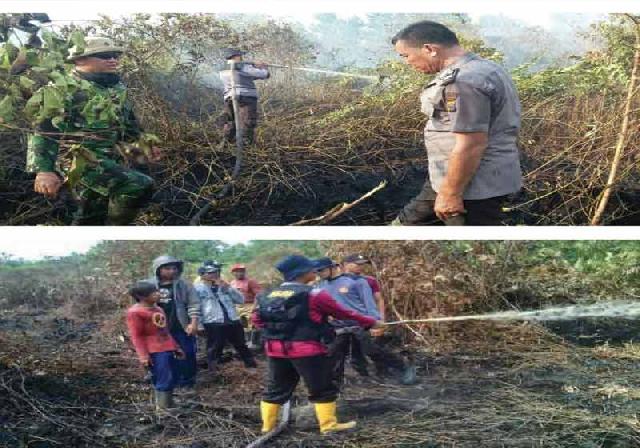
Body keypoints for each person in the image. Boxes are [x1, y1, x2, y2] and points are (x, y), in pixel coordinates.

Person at [391, 21, 522, 226]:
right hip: (448, 175)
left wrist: (451, 194)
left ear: (429, 49)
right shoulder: (485, 68)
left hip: (471, 186)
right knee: (406, 224)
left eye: (406, 55)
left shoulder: (464, 81)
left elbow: (472, 143)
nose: (407, 62)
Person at [26, 36, 157, 225]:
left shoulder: (115, 87)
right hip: (76, 159)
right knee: (139, 185)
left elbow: (127, 121)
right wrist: (44, 171)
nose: (113, 60)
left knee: (90, 215)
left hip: (108, 156)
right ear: (80, 60)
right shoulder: (62, 89)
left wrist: (144, 144)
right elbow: (43, 129)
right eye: (104, 56)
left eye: (115, 55)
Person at [252, 255, 381, 435]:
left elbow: (257, 320)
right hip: (307, 350)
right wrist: (370, 322)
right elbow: (344, 313)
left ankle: (267, 427)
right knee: (322, 387)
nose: (314, 271)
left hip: (275, 350)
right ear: (301, 273)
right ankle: (328, 426)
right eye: (311, 269)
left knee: (276, 389)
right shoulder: (314, 294)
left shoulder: (266, 294)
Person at [317, 257, 415, 385]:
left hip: (360, 324)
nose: (319, 273)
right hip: (339, 327)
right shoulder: (321, 285)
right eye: (317, 271)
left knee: (371, 350)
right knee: (336, 355)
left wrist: (376, 322)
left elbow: (370, 303)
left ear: (333, 267)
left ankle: (404, 367)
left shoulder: (357, 281)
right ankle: (337, 384)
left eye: (321, 270)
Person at [126, 280, 184, 412]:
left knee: (172, 375)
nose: (158, 294)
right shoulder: (135, 313)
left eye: (157, 291)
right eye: (154, 293)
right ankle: (163, 408)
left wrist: (176, 347)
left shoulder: (158, 309)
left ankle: (169, 403)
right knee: (162, 376)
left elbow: (165, 331)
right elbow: (137, 336)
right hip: (154, 350)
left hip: (166, 347)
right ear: (142, 296)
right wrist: (143, 356)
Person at [146, 255, 200, 392]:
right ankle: (168, 381)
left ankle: (187, 382)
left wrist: (193, 323)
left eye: (174, 268)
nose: (172, 271)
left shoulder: (184, 285)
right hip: (158, 330)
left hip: (181, 326)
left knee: (187, 353)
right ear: (158, 269)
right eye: (167, 268)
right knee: (163, 356)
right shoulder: (148, 286)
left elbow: (193, 304)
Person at [195, 261, 257, 374]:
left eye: (216, 272)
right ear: (202, 275)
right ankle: (213, 371)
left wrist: (228, 288)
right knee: (215, 347)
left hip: (232, 320)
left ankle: (251, 366)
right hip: (213, 322)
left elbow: (240, 300)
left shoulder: (225, 286)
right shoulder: (197, 289)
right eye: (210, 273)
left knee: (241, 344)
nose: (214, 274)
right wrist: (198, 324)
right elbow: (195, 308)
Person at [219, 48, 270, 146]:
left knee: (230, 122)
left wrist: (253, 66)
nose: (242, 58)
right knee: (247, 122)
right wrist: (263, 67)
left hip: (229, 97)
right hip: (246, 97)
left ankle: (225, 144)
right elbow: (264, 75)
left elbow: (244, 76)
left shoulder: (223, 69)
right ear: (235, 56)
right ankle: (246, 147)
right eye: (240, 56)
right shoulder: (242, 67)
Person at [230, 263, 262, 348]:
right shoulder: (232, 283)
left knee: (253, 324)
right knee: (243, 325)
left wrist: (255, 307)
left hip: (250, 305)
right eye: (238, 271)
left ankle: (255, 343)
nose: (240, 273)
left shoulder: (251, 281)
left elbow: (258, 295)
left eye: (242, 271)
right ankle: (246, 342)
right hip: (238, 306)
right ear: (233, 273)